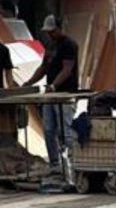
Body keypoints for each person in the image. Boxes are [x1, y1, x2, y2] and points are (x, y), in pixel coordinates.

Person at [23, 15, 79, 174]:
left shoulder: (69, 45)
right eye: (48, 32)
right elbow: (43, 68)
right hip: (51, 94)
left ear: (60, 28)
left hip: (65, 93)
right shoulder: (50, 45)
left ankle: (72, 162)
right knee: (48, 129)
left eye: (52, 31)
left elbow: (67, 69)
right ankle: (55, 163)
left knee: (65, 130)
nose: (50, 35)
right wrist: (29, 82)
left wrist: (54, 86)